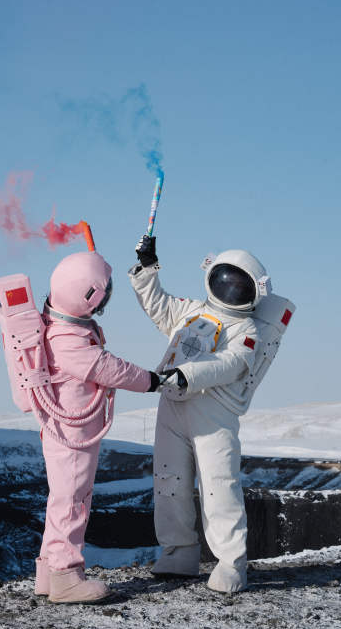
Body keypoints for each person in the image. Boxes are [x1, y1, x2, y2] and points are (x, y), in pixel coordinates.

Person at [129, 235, 294, 593]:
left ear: (254, 292)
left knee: (219, 487)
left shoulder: (247, 331)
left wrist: (188, 374)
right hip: (173, 403)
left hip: (213, 414)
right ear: (212, 275)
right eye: (226, 278)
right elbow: (157, 304)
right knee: (169, 481)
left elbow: (231, 363)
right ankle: (179, 552)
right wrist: (146, 269)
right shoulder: (190, 311)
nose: (231, 287)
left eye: (239, 283)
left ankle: (231, 563)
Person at [35, 249, 161, 604]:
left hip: (65, 428)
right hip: (73, 433)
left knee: (64, 497)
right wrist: (152, 381)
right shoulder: (69, 342)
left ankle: (49, 573)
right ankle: (65, 577)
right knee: (73, 500)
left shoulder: (56, 325)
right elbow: (110, 368)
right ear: (87, 297)